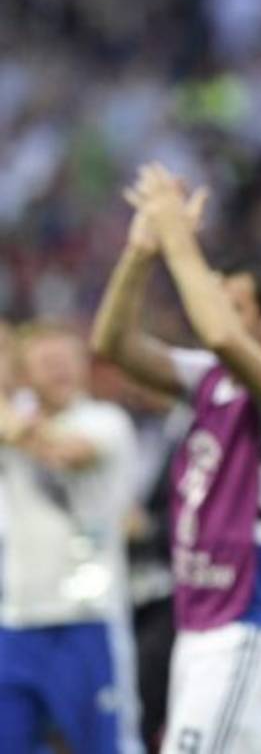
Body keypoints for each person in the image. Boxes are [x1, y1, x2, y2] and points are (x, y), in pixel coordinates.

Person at [90, 164, 261, 752]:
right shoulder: (208, 379)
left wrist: (179, 234)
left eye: (234, 305)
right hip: (198, 614)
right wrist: (140, 250)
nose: (216, 318)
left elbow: (224, 337)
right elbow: (112, 344)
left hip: (250, 609)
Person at [0, 320, 143, 754]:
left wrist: (14, 425)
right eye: (47, 363)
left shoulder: (105, 421)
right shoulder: (11, 422)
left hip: (88, 619)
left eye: (68, 359)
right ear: (24, 374)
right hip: (18, 620)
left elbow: (67, 453)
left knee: (106, 746)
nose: (61, 371)